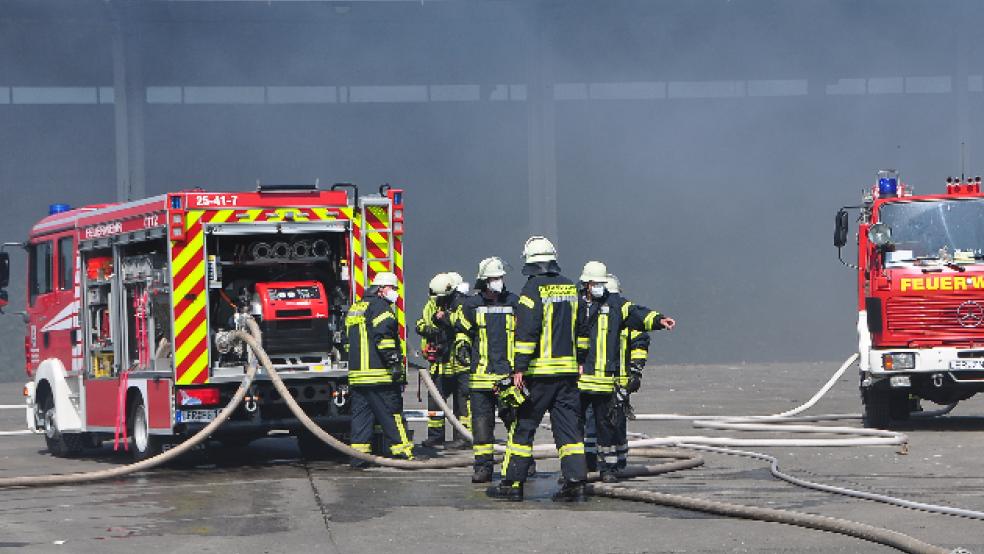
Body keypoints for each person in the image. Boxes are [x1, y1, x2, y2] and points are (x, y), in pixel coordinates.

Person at [486, 236, 587, 502]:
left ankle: (512, 484)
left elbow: (527, 332)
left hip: (538, 374)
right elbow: (583, 328)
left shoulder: (532, 289)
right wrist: (581, 360)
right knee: (569, 430)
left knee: (523, 427)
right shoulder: (570, 288)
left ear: (530, 262)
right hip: (567, 373)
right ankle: (575, 482)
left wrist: (519, 368)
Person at [576, 263, 674, 482]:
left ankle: (612, 467)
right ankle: (583, 465)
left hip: (611, 381)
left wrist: (659, 320)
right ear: (587, 284)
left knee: (610, 426)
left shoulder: (618, 309)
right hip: (583, 381)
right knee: (582, 427)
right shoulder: (578, 306)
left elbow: (639, 319)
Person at [455, 257, 519, 483]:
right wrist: (462, 346)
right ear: (484, 281)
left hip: (507, 377)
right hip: (481, 377)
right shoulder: (471, 305)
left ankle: (521, 464)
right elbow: (462, 331)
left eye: (500, 278)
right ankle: (483, 467)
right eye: (494, 278)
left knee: (515, 422)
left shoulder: (514, 302)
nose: (498, 282)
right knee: (481, 425)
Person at [345, 271, 414, 467]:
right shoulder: (381, 308)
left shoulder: (355, 308)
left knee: (361, 417)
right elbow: (384, 340)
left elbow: (347, 342)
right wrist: (394, 365)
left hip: (358, 376)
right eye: (393, 288)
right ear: (382, 289)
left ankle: (359, 458)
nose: (395, 293)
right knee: (392, 413)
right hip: (379, 375)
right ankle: (404, 452)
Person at [415, 273, 470, 448]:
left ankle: (463, 436)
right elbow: (422, 323)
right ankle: (435, 436)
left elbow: (464, 326)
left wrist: (445, 322)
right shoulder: (431, 304)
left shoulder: (461, 305)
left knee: (463, 402)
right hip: (439, 363)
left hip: (459, 363)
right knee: (435, 400)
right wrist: (429, 330)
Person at [607, 273, 652, 473]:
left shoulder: (626, 316)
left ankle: (617, 461)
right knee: (597, 423)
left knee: (615, 421)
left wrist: (635, 371)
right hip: (599, 380)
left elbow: (640, 343)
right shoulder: (594, 317)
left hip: (619, 380)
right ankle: (601, 463)